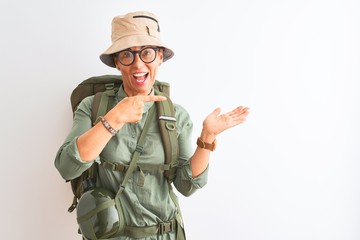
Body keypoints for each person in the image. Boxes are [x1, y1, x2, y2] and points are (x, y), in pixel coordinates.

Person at [55, 11, 249, 240]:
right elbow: (67, 167)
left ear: (160, 57)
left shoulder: (176, 115)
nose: (138, 64)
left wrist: (207, 138)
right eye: (127, 55)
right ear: (117, 61)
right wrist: (113, 119)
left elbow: (187, 186)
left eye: (147, 53)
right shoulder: (93, 107)